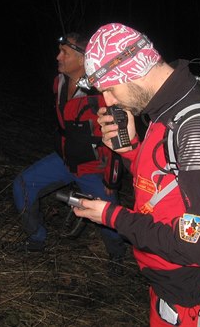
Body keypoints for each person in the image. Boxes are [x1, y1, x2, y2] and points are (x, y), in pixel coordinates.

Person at [73, 23, 200, 326]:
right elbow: (168, 182)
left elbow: (196, 246)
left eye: (109, 89)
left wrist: (112, 216)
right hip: (166, 280)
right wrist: (131, 149)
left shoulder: (196, 129)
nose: (109, 102)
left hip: (188, 297)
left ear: (130, 69)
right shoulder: (169, 106)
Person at [12, 32, 128, 267]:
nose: (58, 57)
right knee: (23, 184)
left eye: (64, 52)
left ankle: (117, 257)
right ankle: (36, 238)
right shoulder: (60, 82)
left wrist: (111, 181)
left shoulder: (103, 94)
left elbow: (118, 142)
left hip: (95, 168)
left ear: (83, 58)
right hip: (65, 160)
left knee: (110, 220)